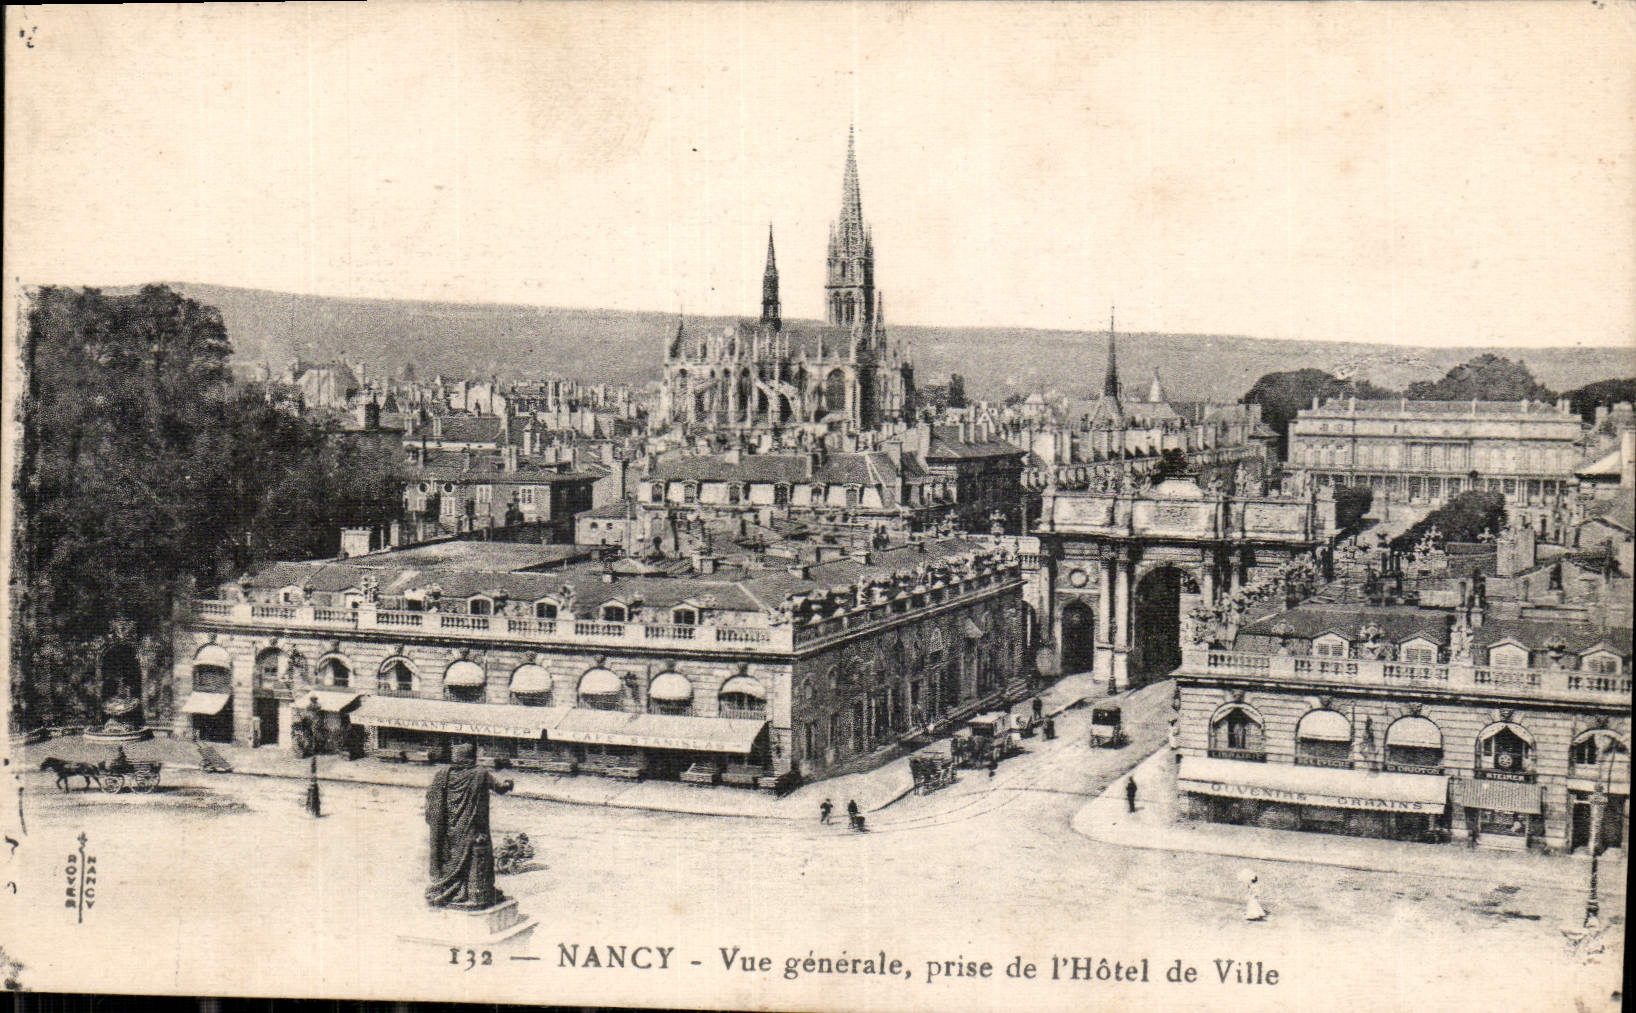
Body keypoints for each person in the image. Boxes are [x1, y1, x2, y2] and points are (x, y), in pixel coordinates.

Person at [425, 744, 515, 909]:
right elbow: (500, 788)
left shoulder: (442, 775)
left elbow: (432, 800)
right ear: (472, 757)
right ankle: (476, 893)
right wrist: (509, 783)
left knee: (453, 858)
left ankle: (452, 890)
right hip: (473, 829)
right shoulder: (480, 774)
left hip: (450, 832)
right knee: (477, 858)